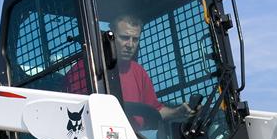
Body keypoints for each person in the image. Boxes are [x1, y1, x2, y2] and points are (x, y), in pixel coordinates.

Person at [64, 14, 193, 126]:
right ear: (111, 36)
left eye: (135, 39)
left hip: (139, 138)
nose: (130, 45)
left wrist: (176, 112)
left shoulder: (138, 72)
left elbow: (156, 110)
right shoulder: (85, 68)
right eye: (125, 38)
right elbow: (78, 111)